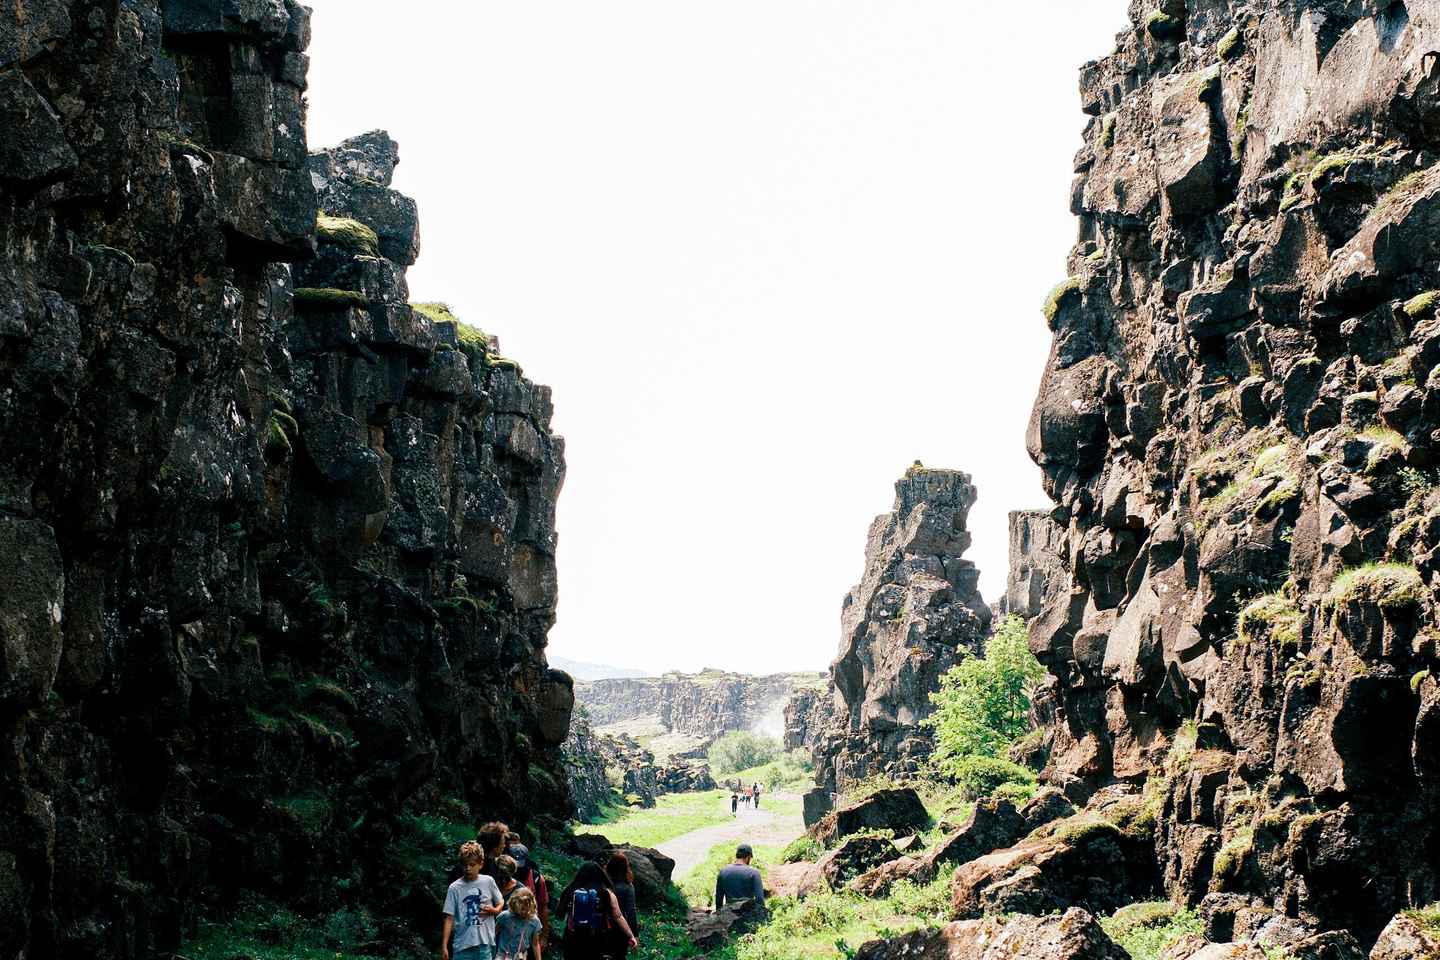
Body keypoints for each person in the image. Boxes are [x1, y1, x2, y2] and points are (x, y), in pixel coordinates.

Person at [557, 861, 638, 959]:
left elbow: (559, 913)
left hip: (573, 936)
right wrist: (631, 935)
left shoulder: (570, 890)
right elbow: (618, 916)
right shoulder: (606, 893)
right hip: (596, 938)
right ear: (601, 875)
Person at [442, 840, 505, 960]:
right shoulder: (454, 887)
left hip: (484, 943)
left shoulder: (488, 881)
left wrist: (495, 910)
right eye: (464, 865)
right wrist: (444, 945)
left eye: (472, 865)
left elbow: (501, 901)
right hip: (462, 945)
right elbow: (449, 917)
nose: (467, 868)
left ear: (481, 864)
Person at [605, 852, 640, 960]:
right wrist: (634, 934)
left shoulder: (604, 884)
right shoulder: (628, 887)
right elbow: (631, 912)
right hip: (620, 928)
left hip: (601, 926)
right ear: (626, 867)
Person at [495, 886, 544, 960]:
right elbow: (494, 933)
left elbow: (535, 944)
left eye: (527, 909)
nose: (524, 912)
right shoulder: (505, 916)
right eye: (522, 909)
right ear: (514, 904)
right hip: (503, 955)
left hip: (521, 956)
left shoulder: (534, 921)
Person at [714, 844, 765, 910]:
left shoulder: (723, 871)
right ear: (749, 856)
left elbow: (719, 898)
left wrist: (719, 915)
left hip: (728, 914)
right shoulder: (754, 873)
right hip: (747, 914)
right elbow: (760, 899)